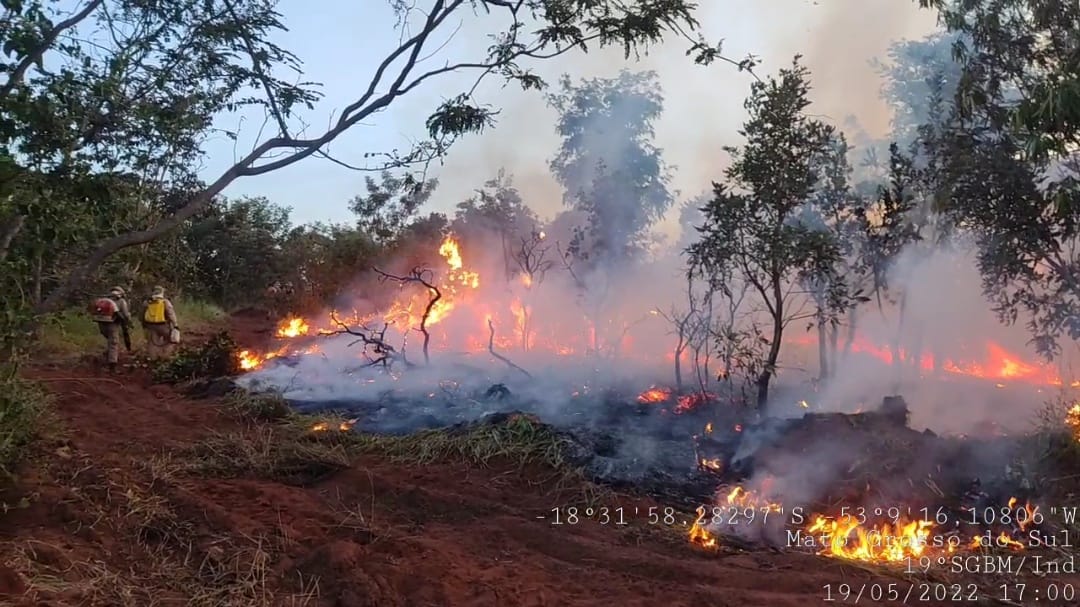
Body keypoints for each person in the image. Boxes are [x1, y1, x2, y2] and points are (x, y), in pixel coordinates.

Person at [89, 286, 131, 373]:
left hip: (101, 324)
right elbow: (126, 315)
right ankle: (112, 366)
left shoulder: (103, 300)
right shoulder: (121, 301)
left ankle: (108, 357)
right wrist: (127, 321)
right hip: (112, 324)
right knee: (113, 343)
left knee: (110, 341)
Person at [142, 286, 179, 360]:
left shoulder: (147, 302)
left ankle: (153, 358)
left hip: (150, 325)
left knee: (151, 343)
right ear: (162, 292)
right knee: (170, 340)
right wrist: (175, 325)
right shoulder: (165, 302)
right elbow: (170, 314)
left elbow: (142, 314)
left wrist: (144, 324)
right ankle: (165, 355)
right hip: (163, 325)